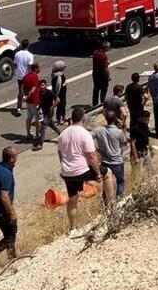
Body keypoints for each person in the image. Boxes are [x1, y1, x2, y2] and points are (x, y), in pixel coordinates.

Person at [57, 106, 102, 235]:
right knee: (107, 174)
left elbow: (60, 153)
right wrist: (98, 173)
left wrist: (64, 166)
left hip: (67, 172)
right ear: (83, 118)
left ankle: (72, 228)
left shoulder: (63, 134)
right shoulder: (84, 133)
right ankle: (109, 207)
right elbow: (92, 156)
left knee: (72, 198)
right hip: (82, 170)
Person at [94, 105, 130, 202]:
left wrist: (97, 149)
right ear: (116, 119)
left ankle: (107, 203)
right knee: (120, 182)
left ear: (106, 118)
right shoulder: (118, 132)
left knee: (106, 183)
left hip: (105, 162)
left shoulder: (99, 130)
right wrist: (123, 128)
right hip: (117, 162)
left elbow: (88, 138)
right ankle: (120, 201)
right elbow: (125, 142)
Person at [21, 62, 43, 149]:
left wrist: (24, 96)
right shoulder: (35, 77)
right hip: (35, 101)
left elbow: (22, 88)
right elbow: (33, 89)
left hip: (29, 102)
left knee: (29, 117)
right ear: (36, 68)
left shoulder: (26, 76)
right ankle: (37, 135)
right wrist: (27, 96)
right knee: (37, 119)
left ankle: (28, 133)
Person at [12, 39, 34, 117]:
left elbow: (15, 64)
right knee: (31, 90)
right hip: (27, 76)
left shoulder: (17, 54)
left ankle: (19, 107)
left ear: (21, 45)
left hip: (20, 76)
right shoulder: (30, 55)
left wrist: (18, 71)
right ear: (28, 45)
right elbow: (30, 66)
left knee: (20, 91)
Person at [37, 78, 61, 144]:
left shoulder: (49, 92)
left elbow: (58, 100)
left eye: (43, 85)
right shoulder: (40, 92)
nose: (42, 87)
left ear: (45, 85)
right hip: (43, 111)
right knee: (52, 125)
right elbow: (41, 102)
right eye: (40, 85)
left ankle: (40, 143)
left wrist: (52, 107)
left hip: (49, 112)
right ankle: (62, 135)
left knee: (43, 126)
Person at [92, 41, 110, 108]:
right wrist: (108, 77)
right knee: (104, 89)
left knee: (96, 89)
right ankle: (102, 103)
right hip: (102, 75)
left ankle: (95, 104)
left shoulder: (95, 53)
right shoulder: (103, 55)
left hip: (95, 74)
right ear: (105, 47)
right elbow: (105, 69)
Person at [51, 60, 69, 125]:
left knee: (63, 105)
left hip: (62, 94)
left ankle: (63, 117)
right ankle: (59, 119)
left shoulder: (57, 74)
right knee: (60, 106)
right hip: (60, 94)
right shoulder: (58, 76)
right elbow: (58, 86)